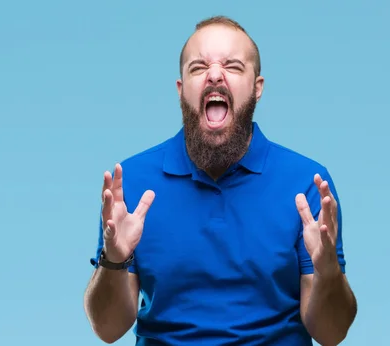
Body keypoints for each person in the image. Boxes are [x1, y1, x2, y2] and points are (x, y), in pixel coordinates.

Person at [83, 16, 357, 346]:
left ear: (257, 87)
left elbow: (331, 333)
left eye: (233, 66)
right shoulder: (132, 184)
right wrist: (113, 260)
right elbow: (108, 330)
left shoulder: (307, 183)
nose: (215, 74)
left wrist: (328, 273)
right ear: (181, 89)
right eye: (199, 67)